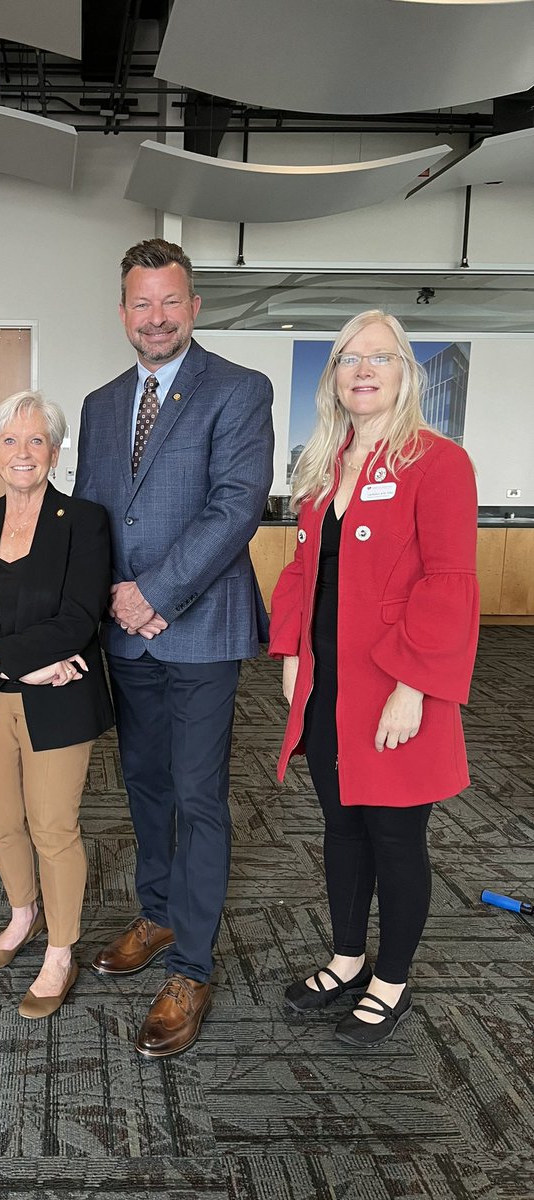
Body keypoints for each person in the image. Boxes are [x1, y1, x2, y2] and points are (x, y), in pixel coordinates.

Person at [74, 239, 274, 1057]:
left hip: (198, 629)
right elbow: (91, 517)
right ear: (124, 311)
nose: (155, 318)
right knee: (146, 786)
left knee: (199, 797)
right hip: (126, 635)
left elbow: (235, 506)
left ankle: (192, 964)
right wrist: (104, 607)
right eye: (140, 303)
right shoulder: (99, 402)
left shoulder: (237, 389)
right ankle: (157, 914)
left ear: (194, 306)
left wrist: (155, 593)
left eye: (169, 302)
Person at [269, 310, 479, 1047]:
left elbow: (449, 581)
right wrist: (293, 653)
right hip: (328, 687)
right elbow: (302, 571)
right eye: (348, 358)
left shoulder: (437, 461)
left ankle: (391, 979)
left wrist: (413, 685)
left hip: (396, 689)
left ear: (404, 373)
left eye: (380, 357)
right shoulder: (322, 463)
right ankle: (347, 955)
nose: (363, 369)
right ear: (333, 376)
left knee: (395, 837)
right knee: (341, 829)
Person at [0, 391, 113, 1019]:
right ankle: (23, 915)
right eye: (9, 440)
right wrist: (4, 662)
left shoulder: (85, 521)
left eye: (36, 440)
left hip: (58, 701)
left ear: (55, 452)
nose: (22, 452)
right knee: (1, 821)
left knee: (53, 828)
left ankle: (61, 949)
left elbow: (78, 618)